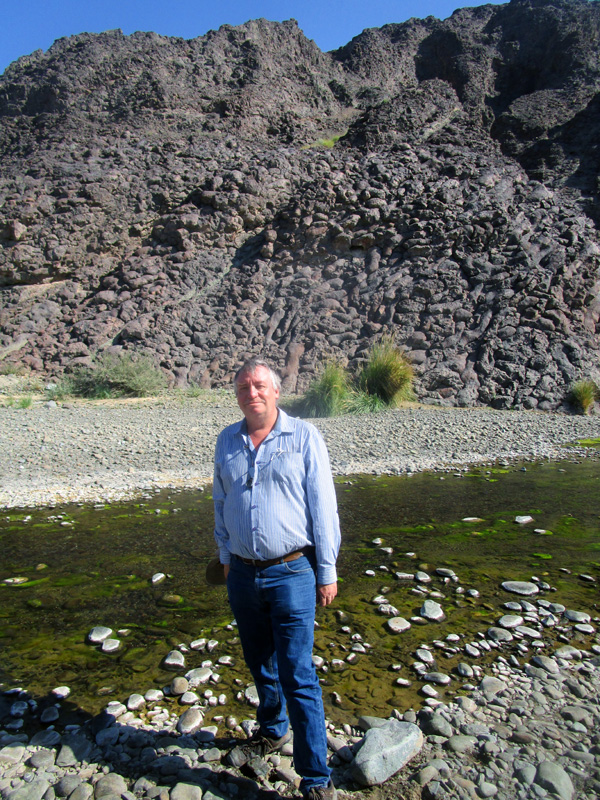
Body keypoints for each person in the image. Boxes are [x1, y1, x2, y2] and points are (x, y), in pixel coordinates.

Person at [213, 357, 341, 800]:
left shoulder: (304, 436)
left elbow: (324, 507)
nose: (253, 393)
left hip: (292, 572)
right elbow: (219, 501)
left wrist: (327, 571)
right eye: (244, 387)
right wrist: (225, 556)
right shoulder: (226, 441)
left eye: (260, 385)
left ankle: (316, 777)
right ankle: (273, 729)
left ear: (276, 390)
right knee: (259, 662)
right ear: (237, 395)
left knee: (298, 672)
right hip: (243, 576)